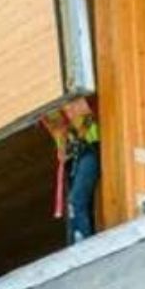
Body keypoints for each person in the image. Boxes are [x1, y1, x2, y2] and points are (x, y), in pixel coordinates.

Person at [41, 97, 101, 243]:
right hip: (74, 158)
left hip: (90, 150)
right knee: (74, 206)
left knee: (75, 201)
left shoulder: (75, 99)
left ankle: (83, 243)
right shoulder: (51, 114)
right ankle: (79, 240)